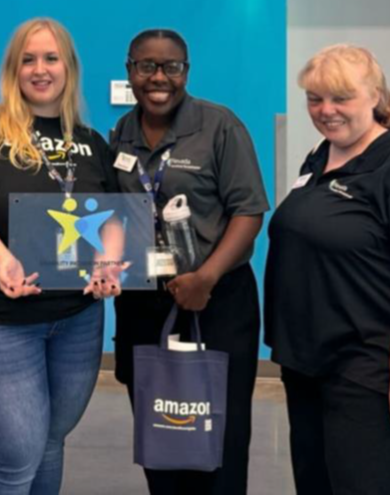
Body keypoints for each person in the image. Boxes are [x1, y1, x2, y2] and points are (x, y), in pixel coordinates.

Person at [0, 17, 120, 494]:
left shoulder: (91, 141)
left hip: (78, 319)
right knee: (16, 456)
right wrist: (3, 258)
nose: (40, 70)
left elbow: (114, 218)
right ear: (14, 69)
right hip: (1, 319)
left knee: (51, 442)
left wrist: (109, 263)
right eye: (28, 60)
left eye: (51, 58)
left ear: (69, 67)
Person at [264, 44, 390, 495]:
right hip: (308, 363)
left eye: (341, 98)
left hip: (365, 369)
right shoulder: (320, 157)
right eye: (315, 98)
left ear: (375, 96)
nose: (326, 110)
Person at [111, 29, 269, 495]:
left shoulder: (221, 127)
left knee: (217, 428)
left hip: (215, 299)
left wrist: (207, 276)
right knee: (158, 423)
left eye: (171, 67)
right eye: (147, 66)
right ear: (130, 71)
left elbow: (248, 212)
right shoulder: (121, 134)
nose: (159, 77)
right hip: (146, 302)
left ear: (186, 71)